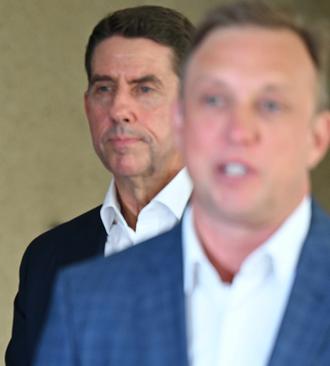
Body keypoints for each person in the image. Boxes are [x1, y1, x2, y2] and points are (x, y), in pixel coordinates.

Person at [34, 1, 330, 365]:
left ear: (317, 137)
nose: (239, 130)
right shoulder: (83, 292)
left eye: (270, 105)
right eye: (214, 101)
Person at [6, 6, 194, 365]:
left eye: (145, 88)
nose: (119, 108)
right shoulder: (49, 259)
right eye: (104, 88)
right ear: (87, 104)